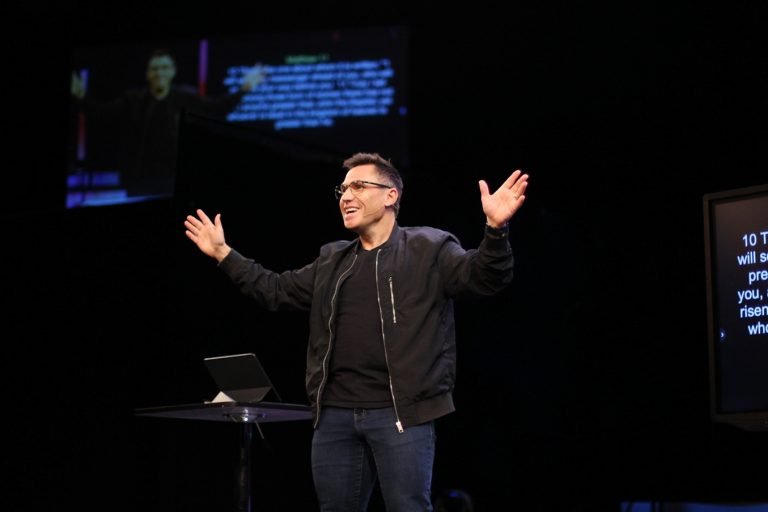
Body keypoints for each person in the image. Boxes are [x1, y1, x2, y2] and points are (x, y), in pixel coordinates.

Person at [183, 152, 528, 511]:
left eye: (359, 187)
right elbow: (274, 290)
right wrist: (224, 254)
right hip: (335, 415)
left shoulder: (429, 248)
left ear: (391, 195)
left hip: (401, 414)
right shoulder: (332, 260)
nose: (346, 197)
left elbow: (485, 277)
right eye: (343, 190)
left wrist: (496, 230)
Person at [71, 48, 264, 198]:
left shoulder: (185, 96)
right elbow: (101, 115)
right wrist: (81, 97)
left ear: (172, 71)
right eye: (155, 69)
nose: (159, 73)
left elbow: (217, 108)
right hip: (139, 180)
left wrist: (244, 89)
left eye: (164, 68)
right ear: (148, 73)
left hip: (174, 179)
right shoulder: (133, 99)